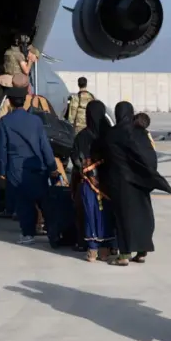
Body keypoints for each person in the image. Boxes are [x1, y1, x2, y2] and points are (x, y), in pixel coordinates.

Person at [103, 102, 171, 266]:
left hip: (121, 183)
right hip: (141, 181)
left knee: (124, 218)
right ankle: (142, 251)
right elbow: (150, 156)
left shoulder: (113, 133)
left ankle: (124, 255)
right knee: (143, 215)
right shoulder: (141, 133)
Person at [0, 85, 58, 245]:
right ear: (25, 101)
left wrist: (2, 171)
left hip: (16, 168)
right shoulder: (36, 120)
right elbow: (44, 145)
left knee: (23, 203)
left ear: (9, 102)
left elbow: (2, 148)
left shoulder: (4, 121)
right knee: (44, 201)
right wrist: (52, 167)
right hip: (38, 166)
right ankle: (53, 232)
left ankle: (28, 233)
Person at [70, 100, 117, 262]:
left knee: (90, 213)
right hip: (108, 183)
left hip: (88, 184)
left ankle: (92, 250)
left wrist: (85, 170)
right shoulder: (110, 135)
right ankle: (106, 248)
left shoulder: (82, 136)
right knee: (107, 214)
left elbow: (75, 158)